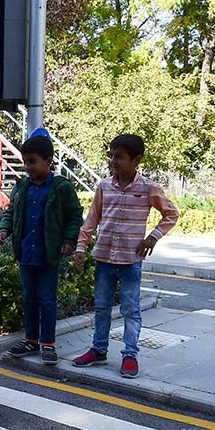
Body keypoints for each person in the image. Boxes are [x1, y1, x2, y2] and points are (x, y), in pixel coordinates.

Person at [72, 134, 179, 378]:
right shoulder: (104, 187)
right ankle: (98, 350)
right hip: (104, 260)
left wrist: (153, 237)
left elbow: (171, 214)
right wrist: (81, 247)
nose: (113, 161)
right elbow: (91, 220)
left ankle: (130, 355)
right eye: (111, 155)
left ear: (136, 160)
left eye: (119, 157)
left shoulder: (149, 188)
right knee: (101, 308)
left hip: (130, 262)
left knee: (131, 310)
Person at [0, 128, 84, 366]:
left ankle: (48, 343)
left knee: (46, 300)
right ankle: (31, 339)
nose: (28, 167)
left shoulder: (61, 187)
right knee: (29, 299)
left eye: (33, 162)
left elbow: (75, 216)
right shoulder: (22, 186)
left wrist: (68, 241)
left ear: (48, 161)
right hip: (26, 254)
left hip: (48, 256)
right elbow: (11, 211)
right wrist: (4, 229)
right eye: (25, 162)